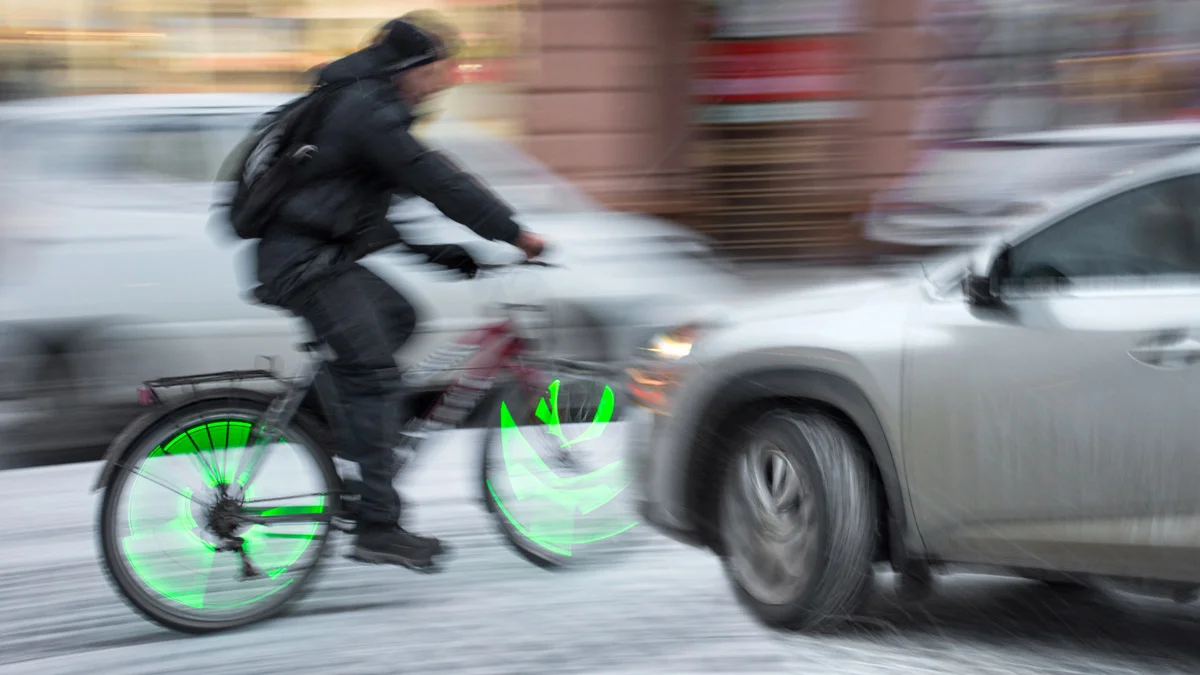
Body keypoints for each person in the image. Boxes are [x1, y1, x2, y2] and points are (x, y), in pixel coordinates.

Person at [252, 11, 545, 571]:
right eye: (439, 69)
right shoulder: (368, 107)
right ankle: (378, 527)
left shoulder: (362, 103)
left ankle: (327, 431)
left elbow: (364, 210)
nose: (445, 81)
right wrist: (513, 233)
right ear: (411, 67)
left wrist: (437, 254)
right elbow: (434, 177)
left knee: (397, 316)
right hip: (304, 262)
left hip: (313, 255)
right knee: (376, 377)